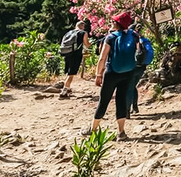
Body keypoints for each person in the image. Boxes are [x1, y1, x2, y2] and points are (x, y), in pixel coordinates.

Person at [82, 11, 138, 140]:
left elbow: (102, 58)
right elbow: (138, 51)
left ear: (117, 24)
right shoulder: (134, 35)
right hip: (128, 72)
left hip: (112, 72)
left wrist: (98, 75)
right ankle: (121, 132)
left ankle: (93, 129)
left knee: (104, 100)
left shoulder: (111, 37)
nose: (111, 23)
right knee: (121, 100)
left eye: (113, 21)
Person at [125, 24, 151, 119]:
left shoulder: (131, 41)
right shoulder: (144, 40)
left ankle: (127, 111)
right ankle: (135, 107)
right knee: (133, 86)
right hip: (142, 67)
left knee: (129, 88)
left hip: (133, 67)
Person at [60, 21, 90, 98]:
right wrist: (90, 44)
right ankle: (64, 91)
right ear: (82, 26)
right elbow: (86, 45)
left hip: (67, 53)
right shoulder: (83, 33)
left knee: (69, 72)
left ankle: (68, 88)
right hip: (75, 55)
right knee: (71, 73)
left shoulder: (69, 33)